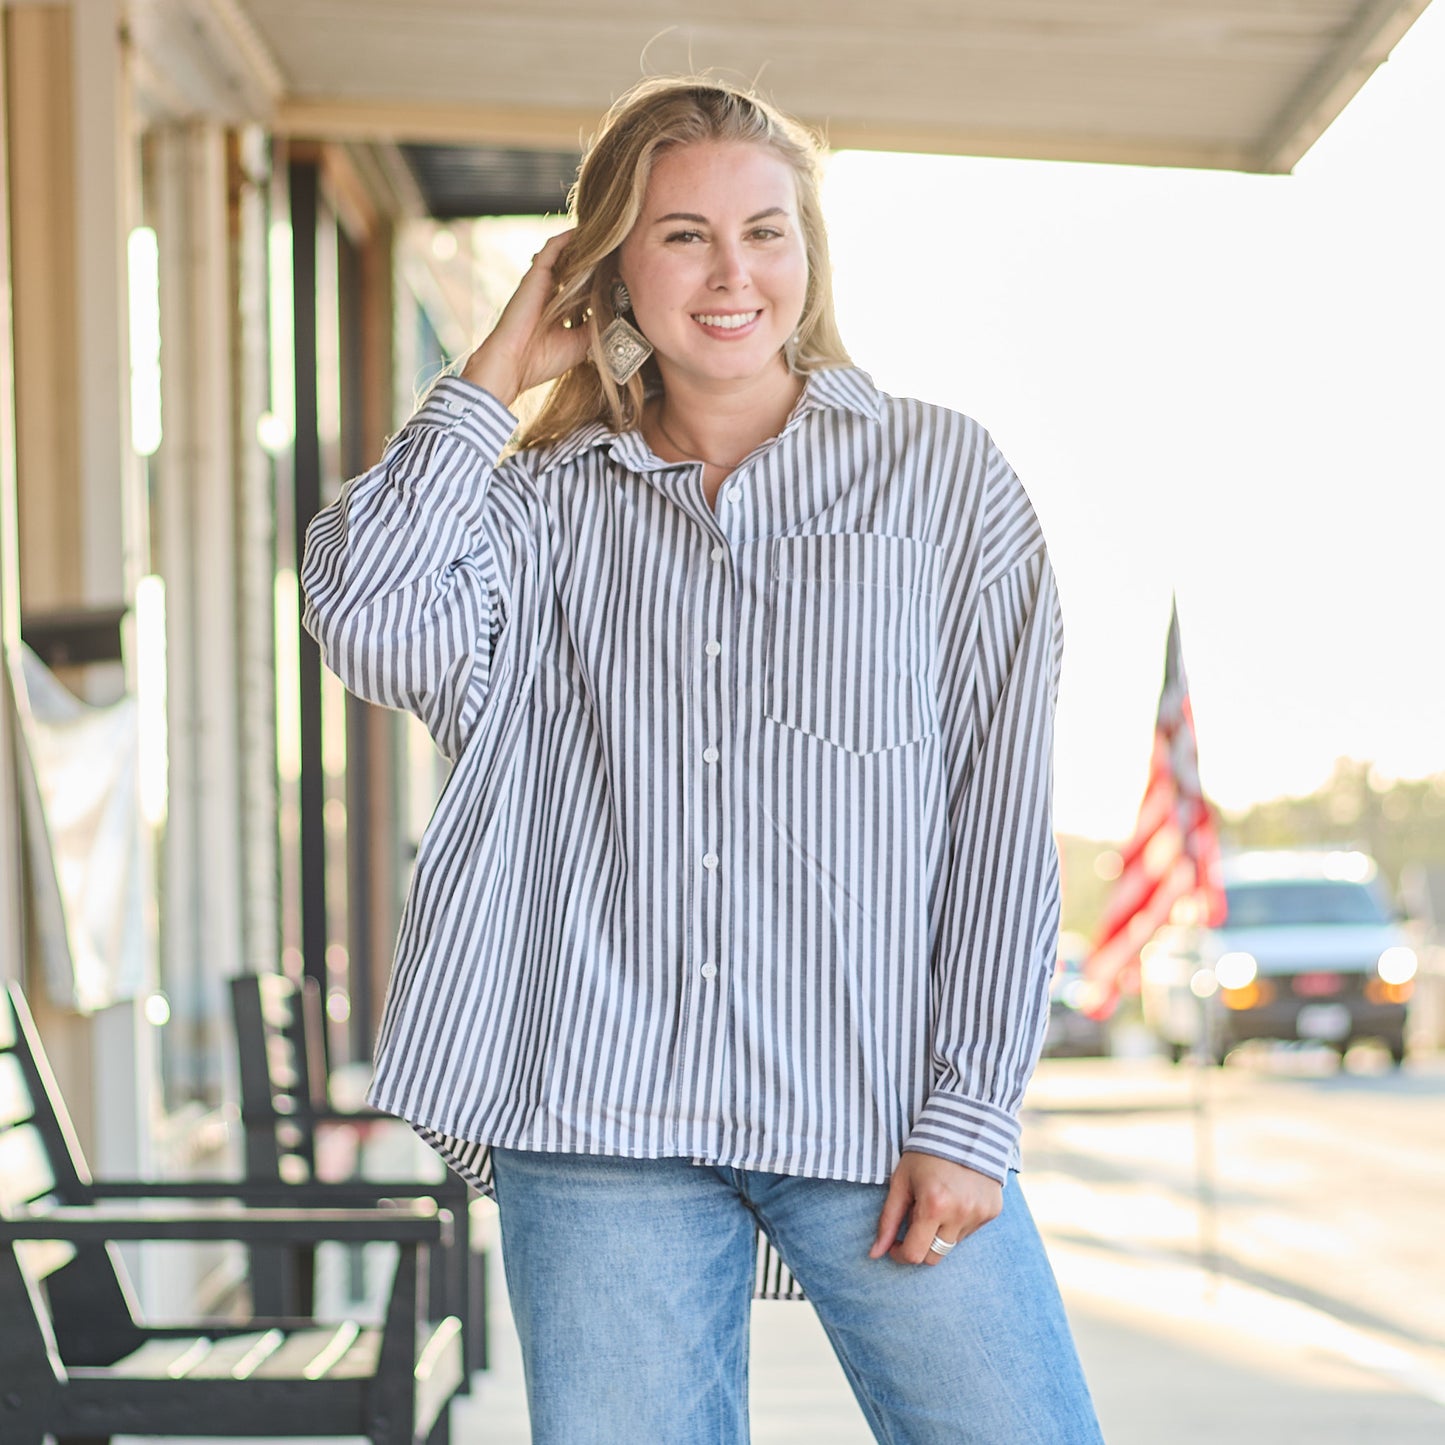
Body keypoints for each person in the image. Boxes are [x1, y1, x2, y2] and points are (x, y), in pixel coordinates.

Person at [302, 75, 1102, 1445]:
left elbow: (995, 822)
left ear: (808, 252)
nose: (732, 272)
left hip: (869, 1102)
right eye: (681, 234)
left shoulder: (942, 484)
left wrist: (972, 1105)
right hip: (598, 1109)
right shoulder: (535, 512)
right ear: (608, 263)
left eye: (765, 231)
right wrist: (496, 372)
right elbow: (364, 617)